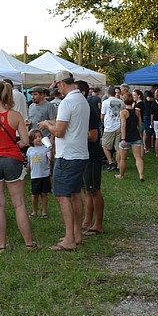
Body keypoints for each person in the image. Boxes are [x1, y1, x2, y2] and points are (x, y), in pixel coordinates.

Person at [0, 80, 35, 252]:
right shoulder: (16, 115)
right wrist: (13, 146)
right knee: (19, 204)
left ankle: (2, 245)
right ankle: (29, 243)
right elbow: (25, 141)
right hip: (13, 160)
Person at [39, 70, 90, 251]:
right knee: (75, 194)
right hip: (79, 153)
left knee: (62, 195)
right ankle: (76, 234)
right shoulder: (82, 100)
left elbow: (59, 132)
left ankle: (69, 239)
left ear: (61, 83)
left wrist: (47, 124)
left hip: (67, 155)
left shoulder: (67, 102)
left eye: (57, 86)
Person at [77, 80, 105, 236]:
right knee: (86, 190)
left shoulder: (89, 111)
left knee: (94, 190)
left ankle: (98, 224)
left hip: (92, 155)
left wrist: (75, 133)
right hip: (83, 155)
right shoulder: (82, 110)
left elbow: (93, 136)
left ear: (83, 93)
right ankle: (87, 221)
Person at [116, 92, 144, 181]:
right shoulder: (137, 111)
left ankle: (121, 175)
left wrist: (123, 139)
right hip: (136, 136)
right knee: (138, 157)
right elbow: (140, 124)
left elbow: (123, 126)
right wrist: (140, 134)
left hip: (126, 137)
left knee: (123, 158)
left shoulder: (123, 112)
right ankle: (141, 175)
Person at [27, 130, 51, 219]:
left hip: (45, 175)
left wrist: (51, 149)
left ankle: (44, 212)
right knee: (34, 195)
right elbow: (29, 162)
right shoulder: (30, 150)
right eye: (35, 137)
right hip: (35, 176)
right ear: (31, 140)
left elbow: (50, 158)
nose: (38, 139)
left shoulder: (45, 149)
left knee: (44, 194)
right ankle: (34, 211)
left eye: (40, 136)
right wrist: (26, 168)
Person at [101, 86, 125, 172]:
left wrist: (103, 122)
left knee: (105, 146)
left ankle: (111, 162)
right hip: (119, 125)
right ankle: (118, 164)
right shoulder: (121, 102)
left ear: (107, 93)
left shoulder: (105, 102)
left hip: (109, 127)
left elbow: (102, 115)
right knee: (117, 147)